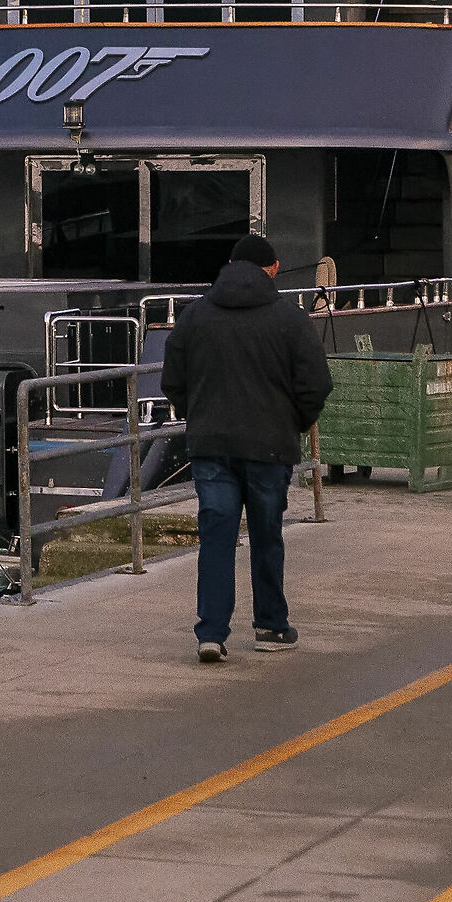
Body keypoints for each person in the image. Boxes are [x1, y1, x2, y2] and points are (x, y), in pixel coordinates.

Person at [160, 233, 333, 665]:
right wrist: (294, 423)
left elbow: (172, 381)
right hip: (270, 447)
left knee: (216, 537)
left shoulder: (195, 315)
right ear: (272, 270)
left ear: (230, 264)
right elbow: (316, 384)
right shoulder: (290, 320)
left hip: (211, 446)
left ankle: (212, 634)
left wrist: (196, 414)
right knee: (266, 536)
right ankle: (271, 627)